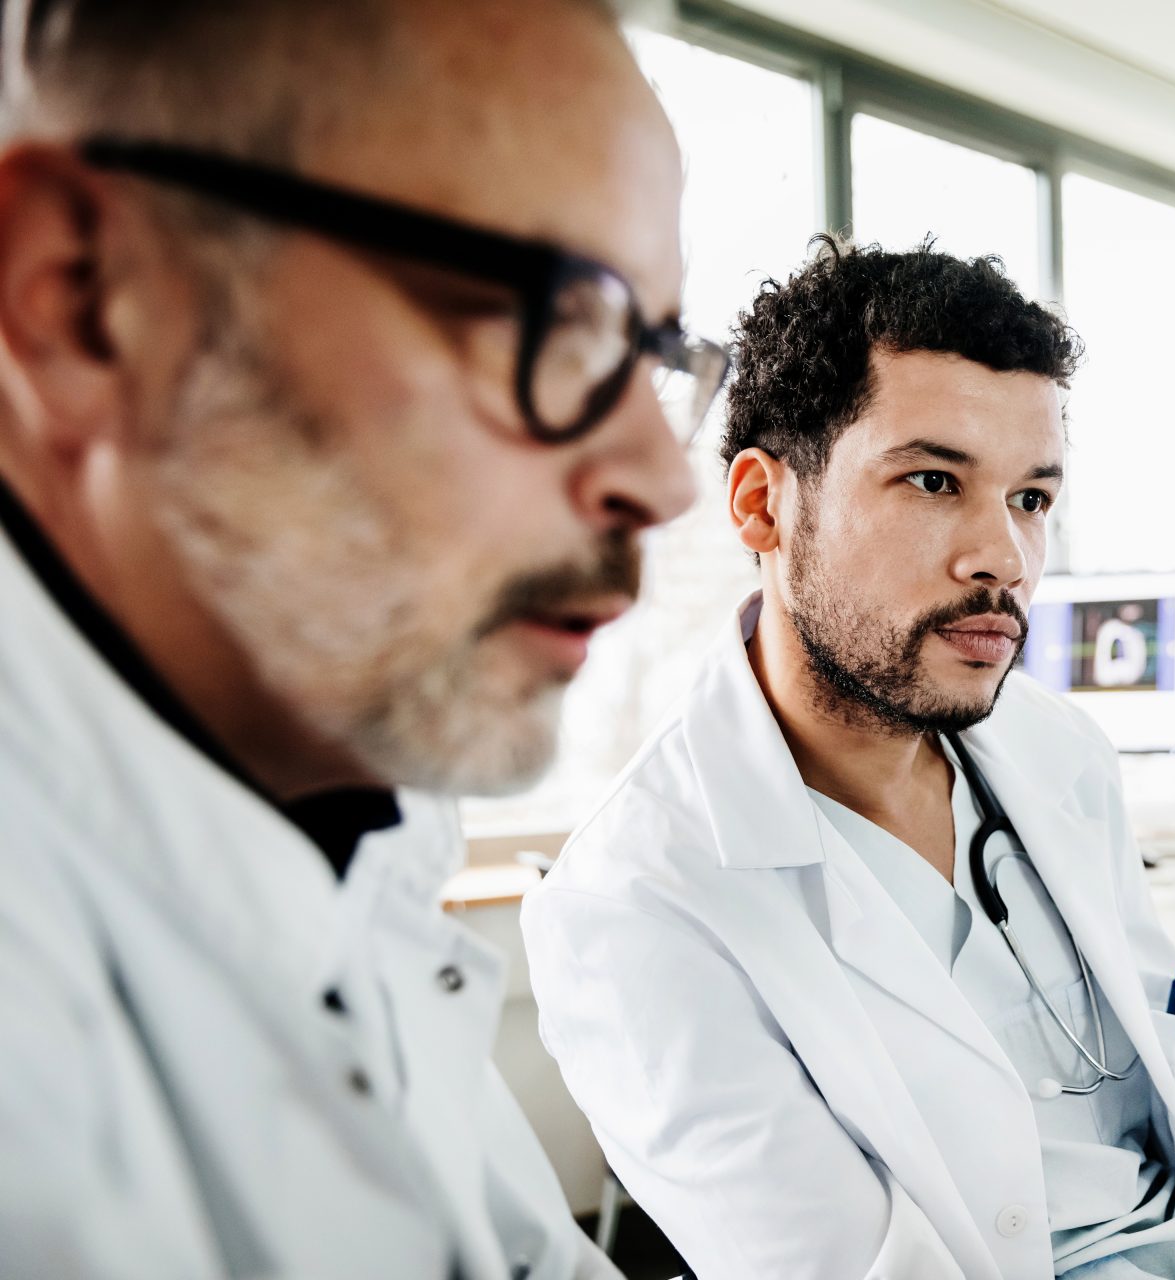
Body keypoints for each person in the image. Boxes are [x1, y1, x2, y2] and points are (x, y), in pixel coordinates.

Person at [0, 0, 725, 1274]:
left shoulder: (352, 808)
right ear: (81, 300)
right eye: (548, 316)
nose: (665, 477)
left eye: (652, 350)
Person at [522, 240, 1175, 1280]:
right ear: (760, 503)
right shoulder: (631, 905)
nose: (1008, 560)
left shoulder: (1055, 750)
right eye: (934, 480)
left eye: (1030, 497)